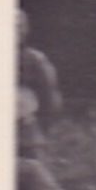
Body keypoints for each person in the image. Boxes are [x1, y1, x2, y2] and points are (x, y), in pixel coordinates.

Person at [17, 10, 63, 159]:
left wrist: (41, 130)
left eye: (19, 27)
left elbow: (50, 100)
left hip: (26, 133)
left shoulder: (35, 60)